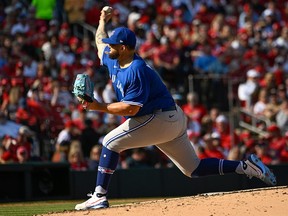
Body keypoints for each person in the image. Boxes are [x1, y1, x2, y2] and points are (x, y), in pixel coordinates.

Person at [74, 6, 277, 211]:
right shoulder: (113, 58)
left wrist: (97, 106)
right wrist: (102, 21)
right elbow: (100, 40)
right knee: (193, 169)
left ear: (124, 48)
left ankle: (99, 195)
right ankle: (246, 166)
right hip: (171, 118)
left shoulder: (137, 70)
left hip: (159, 118)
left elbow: (130, 109)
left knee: (109, 142)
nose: (108, 48)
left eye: (112, 45)